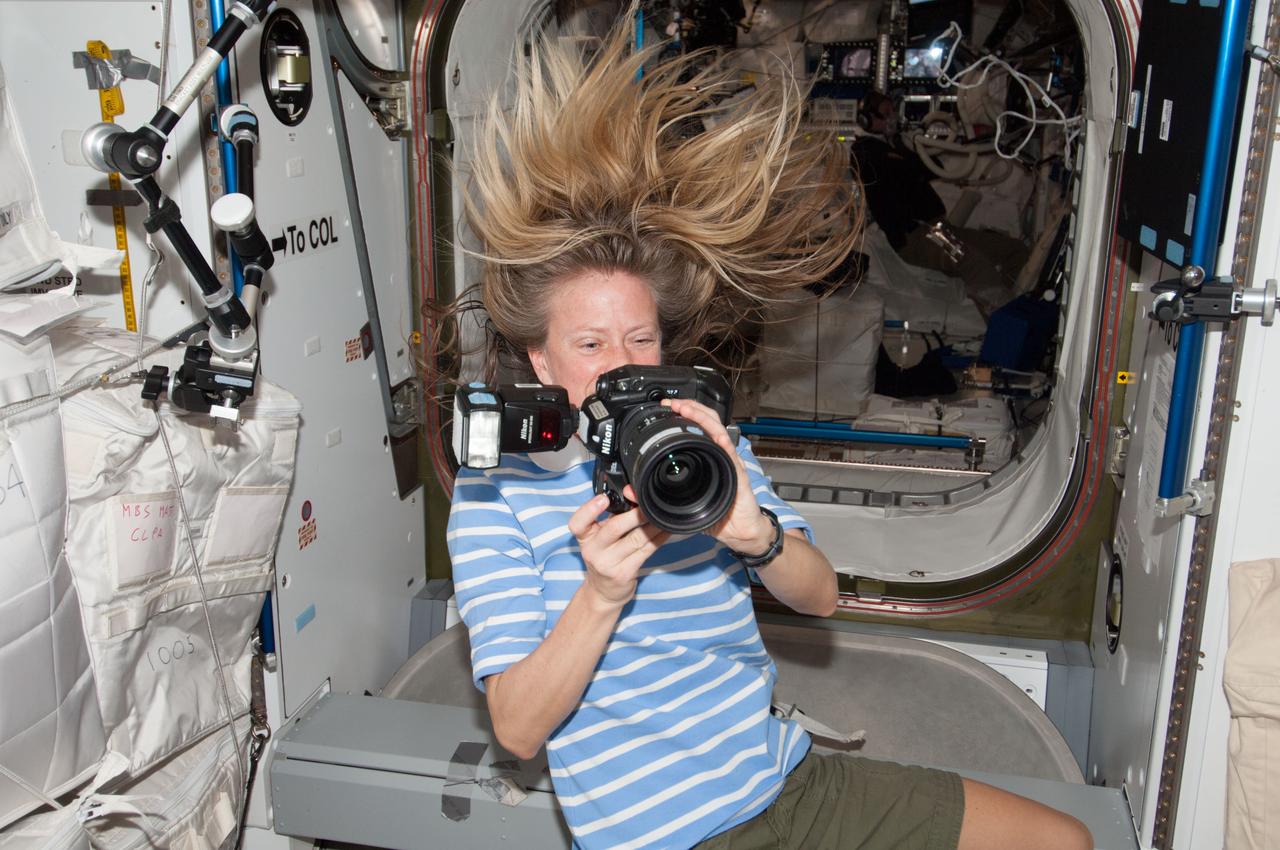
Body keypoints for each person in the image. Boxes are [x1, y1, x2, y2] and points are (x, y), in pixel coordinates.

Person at [440, 14, 1093, 850]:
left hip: (787, 784)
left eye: (641, 340)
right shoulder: (498, 497)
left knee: (1062, 841)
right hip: (665, 838)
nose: (621, 364)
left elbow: (818, 597)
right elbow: (519, 729)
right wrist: (601, 594)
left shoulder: (703, 449)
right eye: (591, 344)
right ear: (538, 359)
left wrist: (755, 536)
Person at [850, 90, 1028, 316]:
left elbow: (930, 166)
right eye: (886, 113)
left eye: (893, 111)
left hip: (939, 229)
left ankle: (1013, 308)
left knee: (1014, 250)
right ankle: (1005, 325)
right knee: (974, 264)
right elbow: (909, 170)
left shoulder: (895, 146)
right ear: (868, 119)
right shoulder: (865, 152)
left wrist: (909, 145)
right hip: (917, 236)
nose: (893, 117)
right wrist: (907, 148)